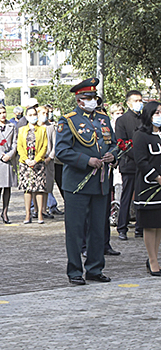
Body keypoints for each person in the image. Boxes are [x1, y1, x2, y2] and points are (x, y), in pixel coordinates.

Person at [55, 77, 116, 285]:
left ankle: (95, 268)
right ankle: (74, 271)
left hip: (100, 183)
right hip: (77, 183)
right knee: (75, 229)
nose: (92, 101)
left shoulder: (103, 119)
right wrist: (86, 160)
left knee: (98, 228)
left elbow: (113, 143)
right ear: (79, 100)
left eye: (94, 98)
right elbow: (62, 151)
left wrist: (112, 155)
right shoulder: (68, 120)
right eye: (88, 98)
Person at [133, 101, 161, 276]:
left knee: (159, 225)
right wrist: (157, 177)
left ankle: (155, 257)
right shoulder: (141, 135)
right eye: (157, 112)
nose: (159, 115)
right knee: (150, 225)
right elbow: (141, 161)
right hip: (149, 187)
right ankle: (152, 261)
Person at [115, 91, 144, 241]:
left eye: (140, 100)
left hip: (144, 165)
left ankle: (140, 227)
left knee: (141, 197)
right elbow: (122, 143)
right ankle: (122, 228)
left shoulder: (145, 119)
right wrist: (138, 156)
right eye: (136, 100)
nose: (139, 103)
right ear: (128, 103)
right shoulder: (122, 120)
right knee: (127, 196)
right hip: (129, 164)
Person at [17, 107, 47, 224]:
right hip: (25, 163)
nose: (33, 116)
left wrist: (36, 159)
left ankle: (39, 213)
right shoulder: (22, 130)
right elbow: (19, 146)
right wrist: (26, 159)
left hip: (38, 162)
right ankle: (27, 214)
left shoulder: (42, 130)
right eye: (30, 114)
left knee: (39, 188)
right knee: (27, 189)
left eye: (34, 114)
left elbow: (44, 146)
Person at [37, 106, 56, 218]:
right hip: (37, 160)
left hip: (48, 160)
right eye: (43, 113)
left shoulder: (51, 127)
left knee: (47, 186)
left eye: (47, 113)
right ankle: (37, 210)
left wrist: (50, 157)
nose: (46, 115)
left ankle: (44, 209)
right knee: (38, 186)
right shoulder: (34, 127)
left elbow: (55, 144)